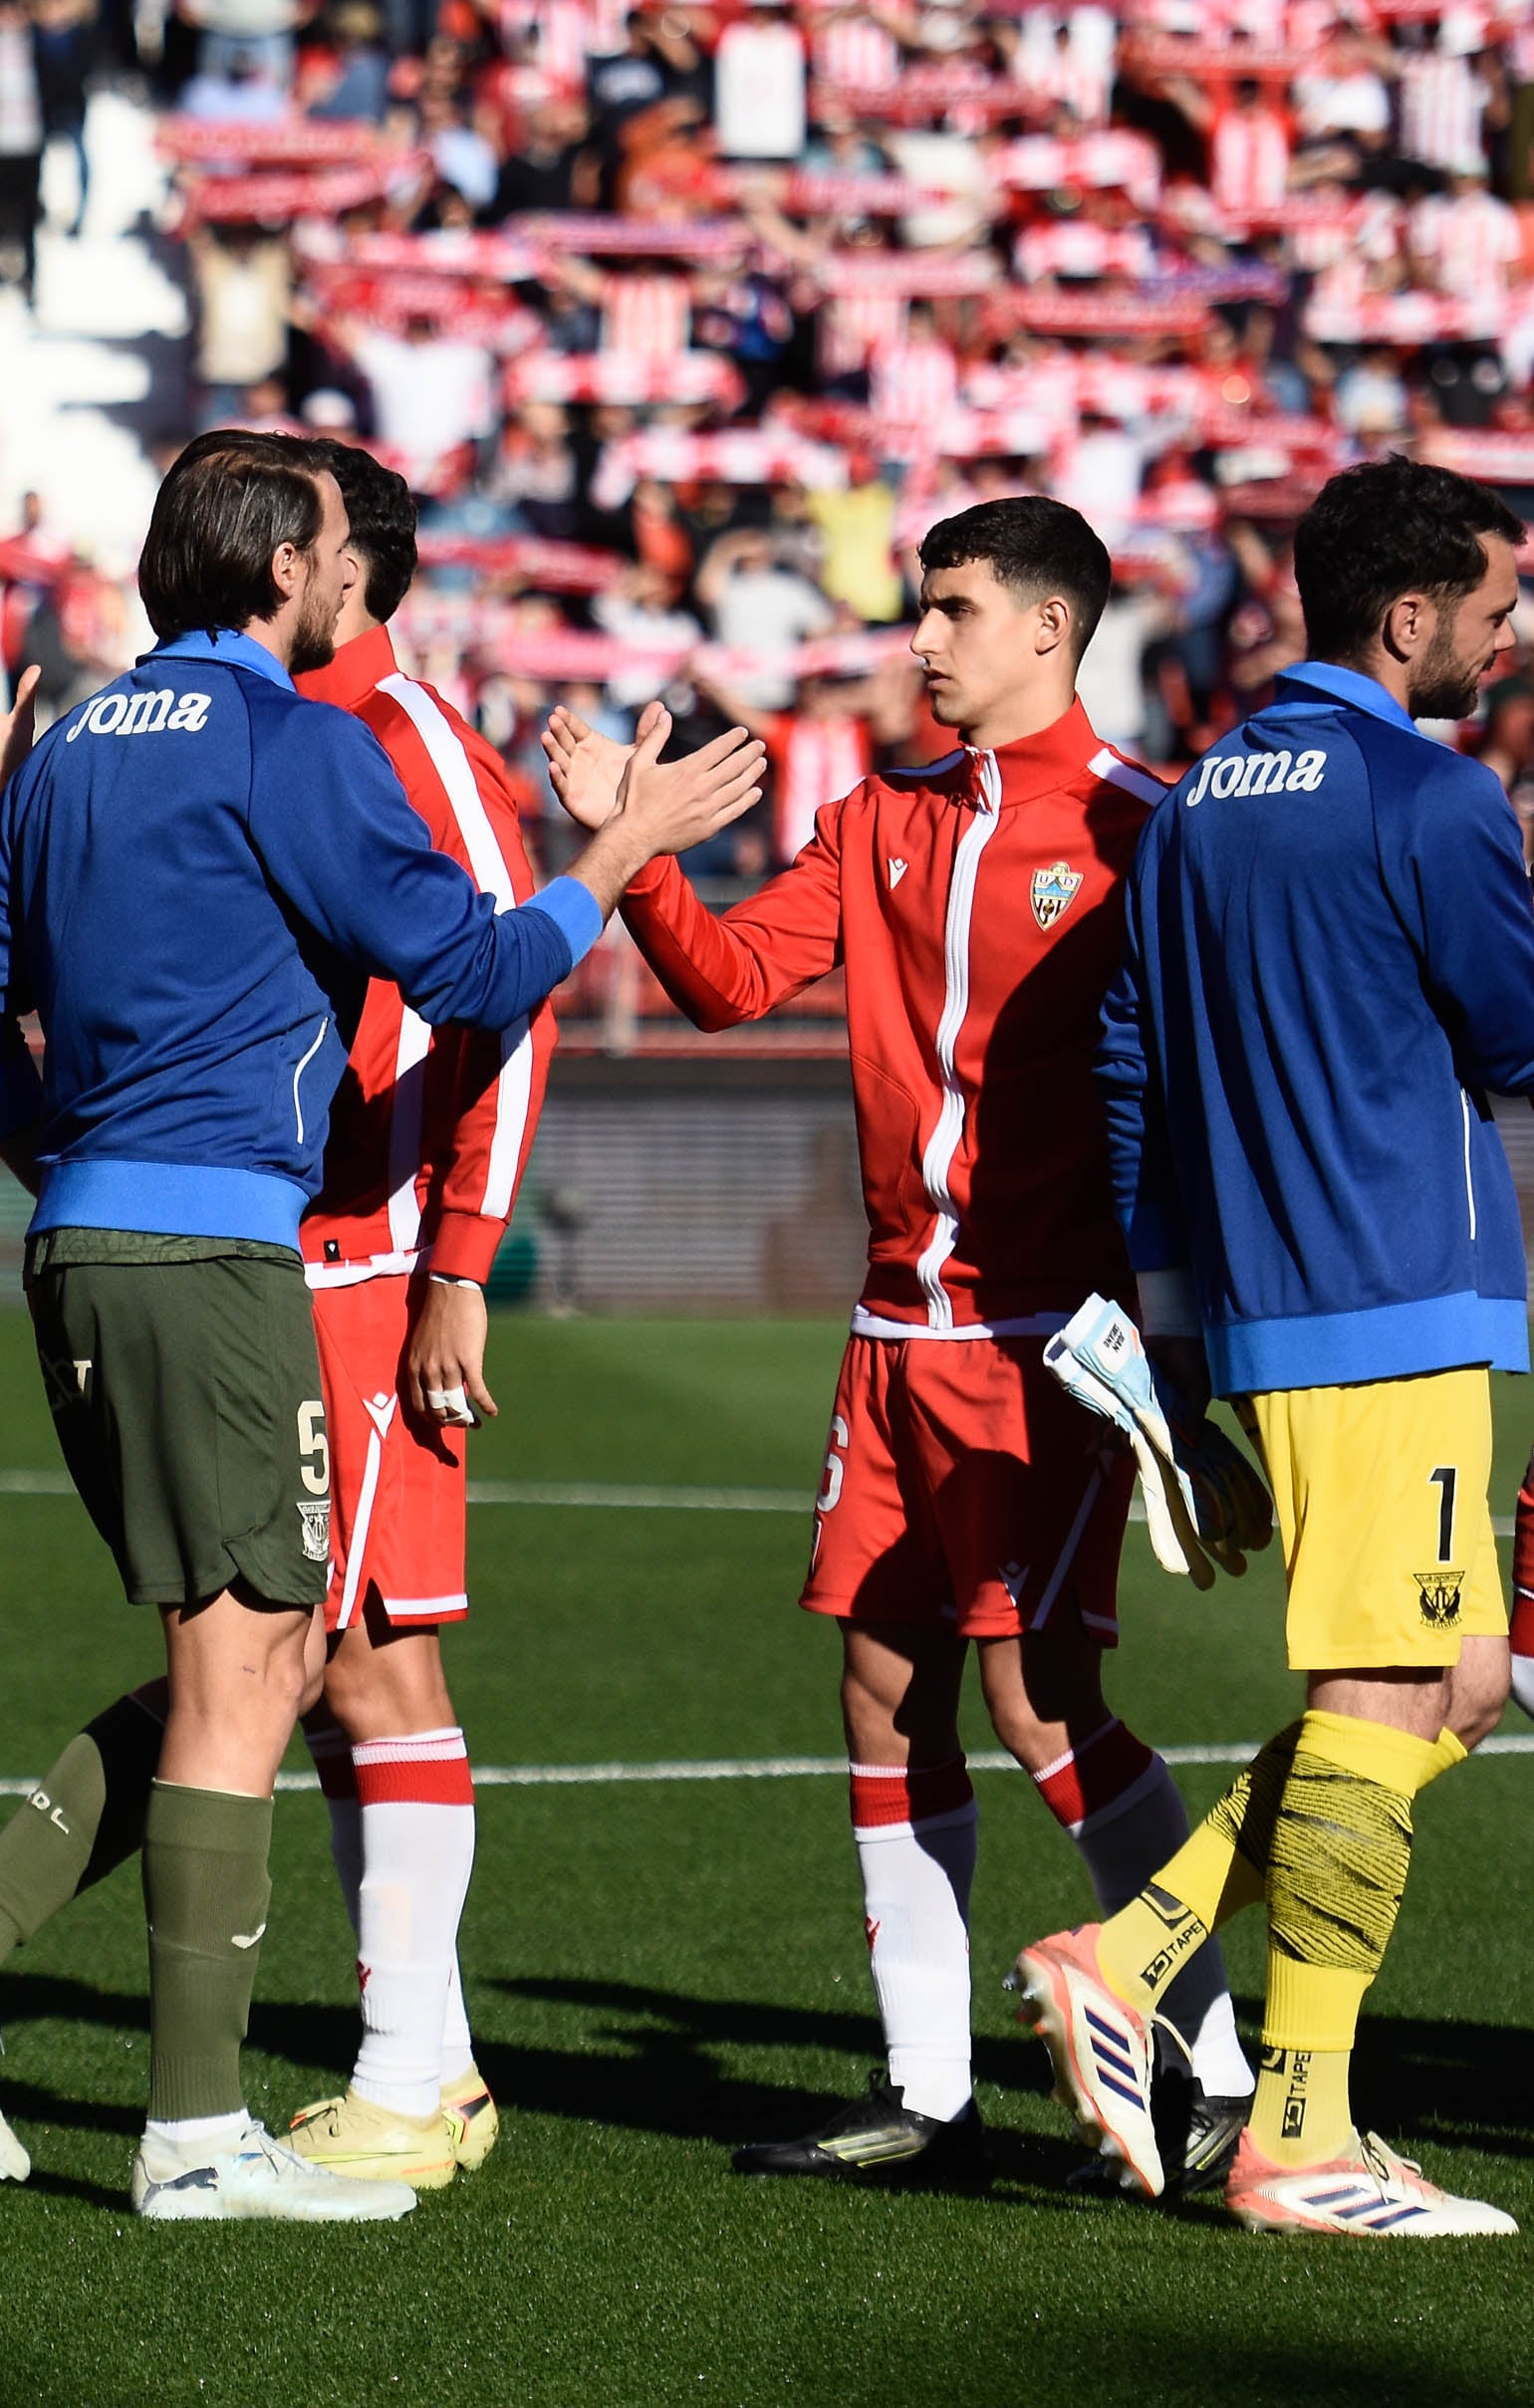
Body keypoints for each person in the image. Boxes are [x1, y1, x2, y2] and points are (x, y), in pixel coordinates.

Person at [0, 429, 758, 2220]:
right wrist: (626, 853)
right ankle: (191, 2130)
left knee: (246, 1657)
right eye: (339, 540)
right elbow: (483, 977)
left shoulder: (75, 752)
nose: (357, 563)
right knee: (260, 1658)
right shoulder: (305, 742)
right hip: (230, 1264)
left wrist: (53, 1154)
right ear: (283, 569)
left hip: (83, 1253)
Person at [540, 495, 1253, 2194]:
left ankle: (1215, 2066)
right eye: (918, 610)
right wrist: (632, 857)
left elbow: (1216, 1095)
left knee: (1040, 1697)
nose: (918, 639)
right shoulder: (874, 818)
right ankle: (929, 2098)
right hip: (886, 1336)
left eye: (950, 610)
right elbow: (725, 983)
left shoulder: (1152, 827)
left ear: (1051, 631)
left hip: (1050, 1342)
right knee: (881, 1693)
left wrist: (1194, 1353)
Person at [1017, 455, 1529, 2240]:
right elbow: (1523, 1035)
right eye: (1495, 604)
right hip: (1395, 1306)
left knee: (1452, 1685)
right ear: (1411, 617)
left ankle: (1134, 1947)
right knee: (1395, 1695)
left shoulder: (1201, 797)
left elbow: (1132, 1072)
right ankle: (1298, 2131)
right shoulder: (1431, 795)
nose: (1510, 632)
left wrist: (1173, 1352)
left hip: (1264, 1317)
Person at [277, 440, 544, 2191]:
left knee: (371, 1662)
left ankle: (414, 2074)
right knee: (303, 1678)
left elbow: (505, 1004)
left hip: (370, 1271)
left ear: (346, 571)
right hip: (264, 1264)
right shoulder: (276, 736)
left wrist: (459, 1266)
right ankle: (425, 2061)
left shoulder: (413, 741)